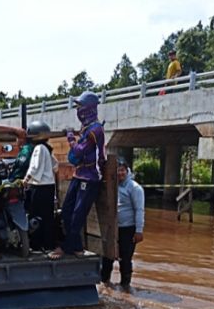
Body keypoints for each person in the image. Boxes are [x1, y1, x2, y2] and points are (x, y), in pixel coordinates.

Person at [49, 91, 106, 260]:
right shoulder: (87, 128)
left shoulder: (95, 130)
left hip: (90, 178)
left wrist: (70, 138)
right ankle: (76, 246)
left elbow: (79, 151)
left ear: (88, 108)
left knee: (77, 215)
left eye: (80, 106)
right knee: (66, 211)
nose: (78, 110)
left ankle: (69, 248)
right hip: (79, 174)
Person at [101, 159, 144, 288]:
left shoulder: (135, 188)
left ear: (127, 170)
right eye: (117, 170)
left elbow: (139, 210)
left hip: (128, 228)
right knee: (107, 258)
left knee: (125, 260)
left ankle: (126, 288)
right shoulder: (111, 186)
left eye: (122, 170)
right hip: (112, 228)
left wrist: (139, 231)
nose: (120, 173)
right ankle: (105, 286)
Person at [22, 121, 58, 252]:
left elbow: (34, 166)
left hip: (39, 186)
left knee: (35, 216)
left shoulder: (38, 148)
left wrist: (26, 179)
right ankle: (48, 244)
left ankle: (36, 244)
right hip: (49, 185)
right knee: (48, 216)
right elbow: (56, 165)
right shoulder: (48, 148)